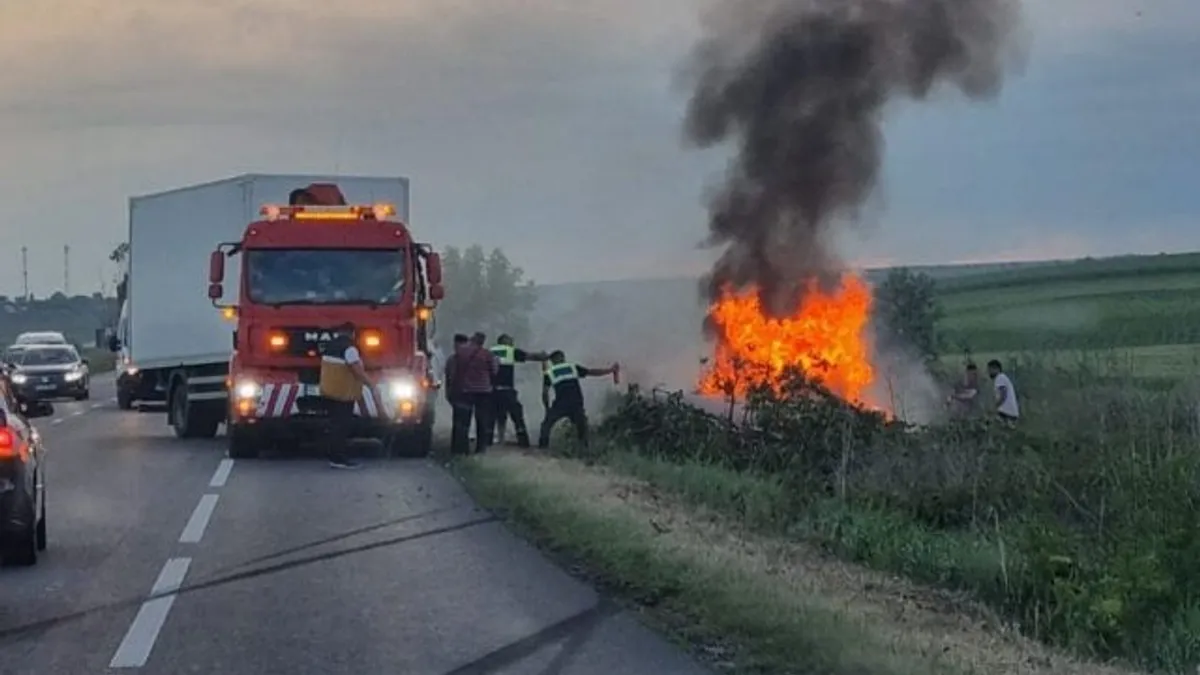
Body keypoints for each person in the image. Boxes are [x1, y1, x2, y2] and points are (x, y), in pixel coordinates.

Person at [318, 321, 383, 469]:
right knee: (342, 426)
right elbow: (356, 370)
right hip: (343, 393)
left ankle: (332, 456)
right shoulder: (350, 349)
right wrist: (371, 385)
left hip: (329, 391)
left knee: (334, 424)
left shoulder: (329, 346)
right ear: (352, 333)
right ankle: (339, 458)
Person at [537, 350, 618, 449]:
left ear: (553, 361)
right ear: (563, 358)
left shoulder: (549, 373)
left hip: (561, 404)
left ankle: (542, 450)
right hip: (576, 403)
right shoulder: (572, 367)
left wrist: (547, 408)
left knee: (546, 426)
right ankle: (584, 451)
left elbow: (545, 393)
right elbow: (592, 372)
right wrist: (610, 370)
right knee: (582, 428)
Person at [489, 334, 550, 448]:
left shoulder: (489, 351)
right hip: (507, 390)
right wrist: (543, 356)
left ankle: (495, 441)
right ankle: (523, 443)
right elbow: (529, 356)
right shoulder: (510, 351)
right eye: (511, 341)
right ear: (505, 342)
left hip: (492, 390)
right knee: (517, 416)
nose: (512, 343)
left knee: (497, 415)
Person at [446, 331, 498, 455]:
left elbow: (453, 372)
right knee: (482, 421)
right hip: (484, 392)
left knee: (463, 422)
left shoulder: (460, 353)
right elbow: (494, 371)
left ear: (472, 339)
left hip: (465, 391)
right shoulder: (487, 354)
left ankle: (461, 450)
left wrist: (451, 389)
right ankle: (481, 449)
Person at [986, 359, 1019, 425]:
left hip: (1006, 412)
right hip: (1008, 412)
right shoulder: (1002, 378)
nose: (988, 372)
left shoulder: (1000, 378)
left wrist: (994, 407)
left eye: (990, 370)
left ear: (996, 369)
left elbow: (1003, 395)